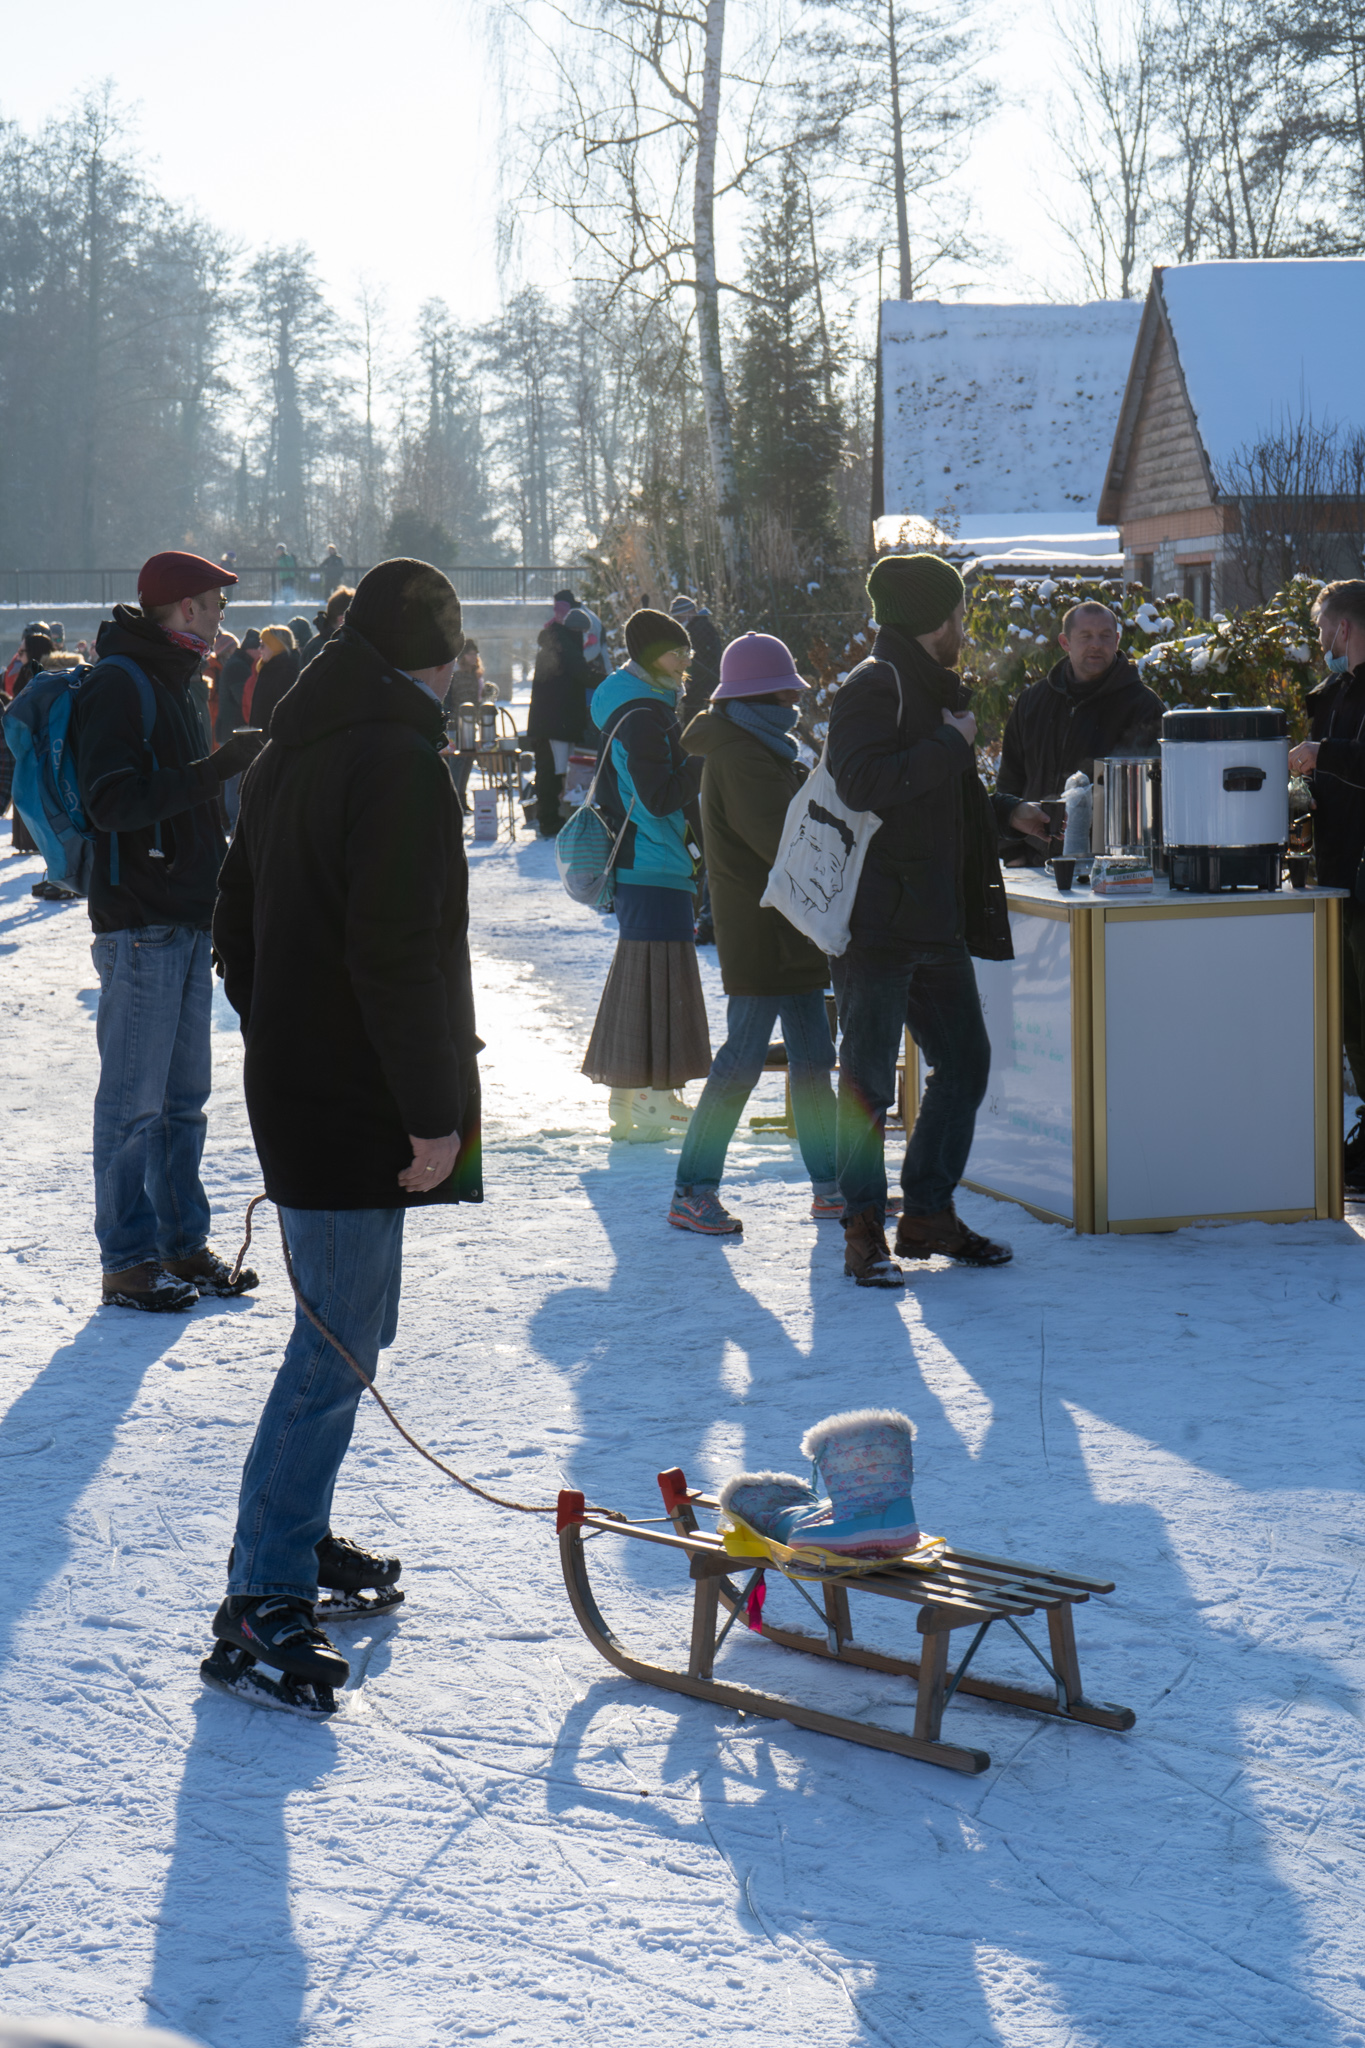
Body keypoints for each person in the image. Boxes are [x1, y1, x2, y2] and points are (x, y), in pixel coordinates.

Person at [208, 557, 481, 1706]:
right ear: (438, 653)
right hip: (356, 1096)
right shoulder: (397, 759)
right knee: (333, 1344)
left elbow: (236, 933)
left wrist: (283, 1027)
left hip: (307, 1080)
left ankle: (295, 1532)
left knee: (354, 1328)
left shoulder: (291, 748)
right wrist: (432, 1113)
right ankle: (260, 1593)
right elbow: (395, 957)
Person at [74, 550, 266, 1312]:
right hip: (140, 920)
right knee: (133, 1104)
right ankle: (127, 1259)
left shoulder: (179, 680)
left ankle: (182, 1245)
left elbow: (183, 808)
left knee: (184, 1100)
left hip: (183, 915)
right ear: (183, 608)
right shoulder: (120, 683)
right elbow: (111, 803)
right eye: (215, 605)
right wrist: (216, 769)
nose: (222, 618)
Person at [827, 553, 1013, 1287]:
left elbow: (936, 800)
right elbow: (861, 780)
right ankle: (862, 1230)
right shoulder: (875, 685)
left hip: (931, 920)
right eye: (958, 614)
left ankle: (928, 1213)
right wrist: (949, 742)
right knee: (867, 1083)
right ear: (933, 620)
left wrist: (1007, 814)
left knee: (964, 1064)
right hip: (876, 926)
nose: (964, 627)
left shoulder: (928, 689)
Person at [669, 632, 839, 1233]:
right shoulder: (743, 756)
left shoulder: (765, 748)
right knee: (740, 1062)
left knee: (815, 1060)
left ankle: (831, 1185)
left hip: (788, 932)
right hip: (764, 934)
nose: (796, 700)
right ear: (765, 695)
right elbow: (785, 844)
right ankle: (692, 1189)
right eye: (788, 689)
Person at [582, 608, 710, 1140]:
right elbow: (659, 798)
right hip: (654, 861)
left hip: (644, 863)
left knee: (641, 981)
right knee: (665, 981)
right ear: (649, 656)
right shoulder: (644, 715)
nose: (686, 662)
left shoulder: (635, 707)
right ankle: (658, 1098)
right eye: (676, 652)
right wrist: (704, 755)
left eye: (687, 651)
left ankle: (630, 1099)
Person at [992, 601, 1165, 864]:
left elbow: (1157, 796)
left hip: (1112, 869)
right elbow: (1010, 778)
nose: (1096, 644)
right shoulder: (1032, 702)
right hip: (1034, 862)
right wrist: (1012, 851)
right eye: (1085, 636)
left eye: (1105, 636)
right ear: (1065, 642)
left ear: (1117, 640)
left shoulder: (1143, 707)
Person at [1291, 580, 1365, 1188]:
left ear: (1343, 628)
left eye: (1322, 630)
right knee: (1351, 1014)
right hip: (1337, 873)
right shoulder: (1334, 694)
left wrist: (1325, 754)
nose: (1321, 643)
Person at [527, 601, 592, 837]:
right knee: (552, 773)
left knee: (549, 772)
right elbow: (583, 675)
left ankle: (549, 818)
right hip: (556, 725)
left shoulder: (554, 646)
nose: (585, 638)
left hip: (547, 723)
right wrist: (614, 679)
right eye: (584, 633)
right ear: (577, 630)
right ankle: (549, 820)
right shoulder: (566, 648)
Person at [216, 628, 260, 830]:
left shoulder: (238, 663)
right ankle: (234, 823)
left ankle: (231, 821)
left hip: (230, 728)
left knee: (232, 778)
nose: (260, 652)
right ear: (250, 650)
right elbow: (244, 697)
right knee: (234, 779)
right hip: (233, 729)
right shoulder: (238, 667)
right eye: (258, 648)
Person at [670, 593, 724, 725]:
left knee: (693, 724)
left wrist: (688, 680)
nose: (678, 621)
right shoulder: (700, 627)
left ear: (690, 612)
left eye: (679, 617)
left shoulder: (697, 630)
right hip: (706, 686)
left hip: (701, 689)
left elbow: (700, 661)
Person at [246, 624, 301, 732]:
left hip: (274, 741)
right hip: (264, 739)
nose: (259, 649)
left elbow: (287, 715)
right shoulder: (269, 669)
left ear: (275, 646)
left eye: (263, 645)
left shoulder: (286, 672)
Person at [274, 542, 297, 607]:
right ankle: (287, 600)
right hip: (283, 577)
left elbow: (290, 566)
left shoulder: (287, 557)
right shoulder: (280, 558)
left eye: (279, 550)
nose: (277, 551)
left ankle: (290, 600)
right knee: (285, 588)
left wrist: (291, 575)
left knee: (289, 588)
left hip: (288, 576)